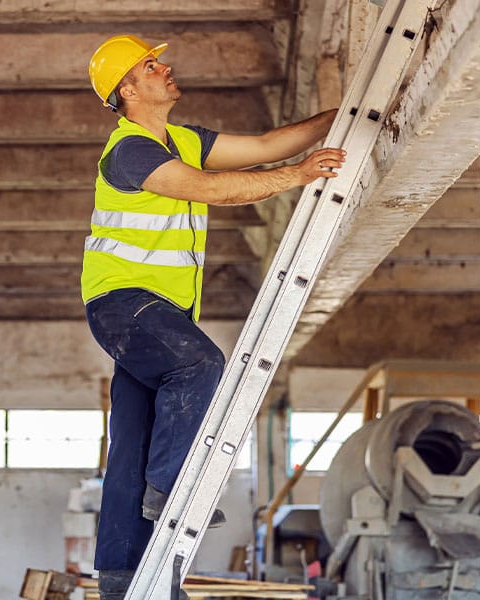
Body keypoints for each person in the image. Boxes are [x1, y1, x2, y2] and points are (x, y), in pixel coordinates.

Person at [82, 34, 344, 599]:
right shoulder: (130, 150)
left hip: (153, 312)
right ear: (127, 89)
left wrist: (343, 117)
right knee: (201, 363)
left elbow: (270, 143)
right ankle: (172, 490)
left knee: (131, 440)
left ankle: (124, 579)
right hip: (124, 305)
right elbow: (209, 190)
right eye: (152, 66)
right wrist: (299, 175)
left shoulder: (181, 139)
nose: (166, 67)